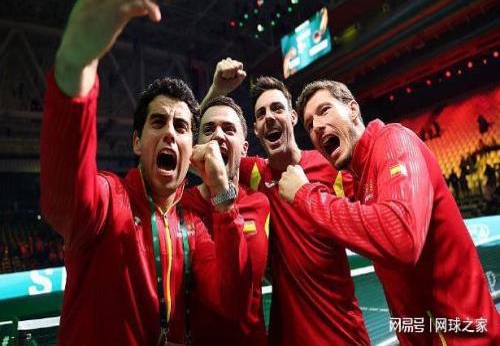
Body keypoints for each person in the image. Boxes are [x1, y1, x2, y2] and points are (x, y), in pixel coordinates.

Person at [40, 0, 253, 345]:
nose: (171, 131)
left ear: (191, 148)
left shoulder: (194, 228)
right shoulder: (108, 204)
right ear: (138, 142)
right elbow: (64, 198)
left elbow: (233, 301)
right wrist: (75, 64)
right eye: (159, 122)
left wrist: (225, 198)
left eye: (182, 126)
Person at [279, 79, 500, 345]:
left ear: (352, 109)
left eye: (324, 110)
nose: (316, 125)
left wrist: (306, 195)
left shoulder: (394, 140)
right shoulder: (360, 179)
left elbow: (401, 239)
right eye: (308, 124)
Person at [203, 61, 370, 345]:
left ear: (293, 117)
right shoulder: (255, 174)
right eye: (261, 114)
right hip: (287, 336)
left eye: (277, 109)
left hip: (342, 333)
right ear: (256, 130)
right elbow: (198, 147)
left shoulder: (331, 167)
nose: (269, 117)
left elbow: (373, 224)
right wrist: (217, 90)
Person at [183, 96, 269, 345]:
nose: (218, 135)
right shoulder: (179, 205)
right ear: (198, 145)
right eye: (208, 129)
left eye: (229, 129)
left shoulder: (261, 204)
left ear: (244, 148)